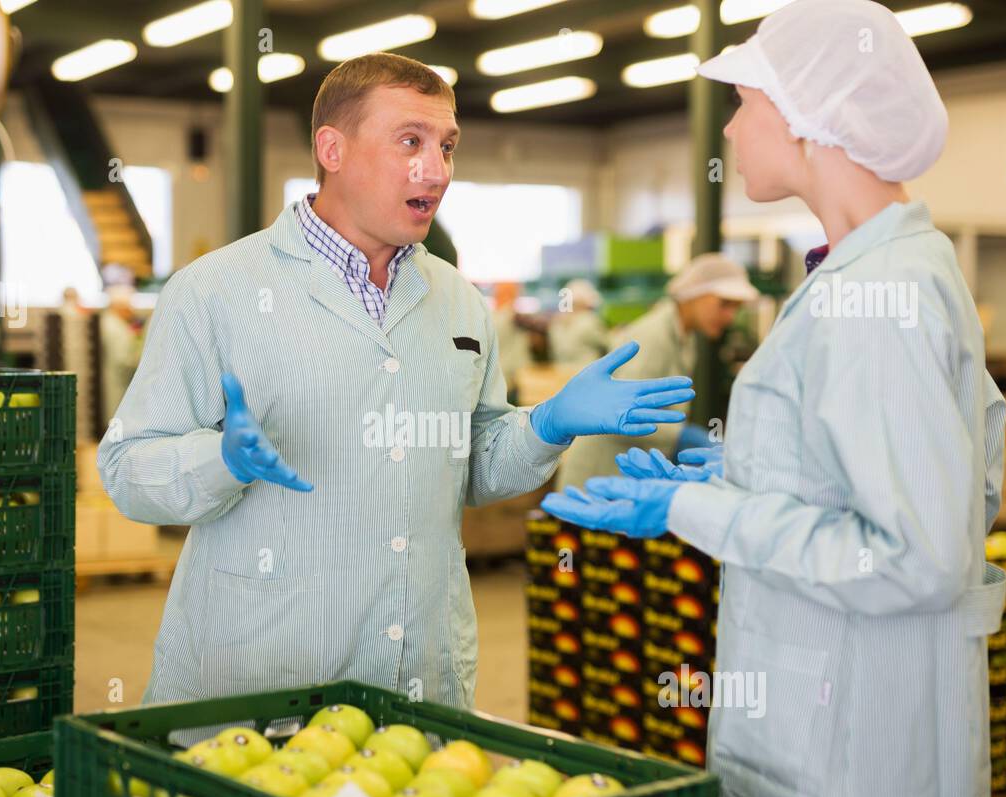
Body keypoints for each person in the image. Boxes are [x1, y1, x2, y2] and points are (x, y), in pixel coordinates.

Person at [543, 0, 1006, 797]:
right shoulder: (878, 274)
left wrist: (702, 509)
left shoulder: (884, 300)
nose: (730, 124)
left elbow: (917, 554)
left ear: (809, 121)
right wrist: (755, 471)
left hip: (852, 748)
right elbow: (946, 482)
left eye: (748, 99)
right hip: (838, 705)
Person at [98, 53, 693, 723]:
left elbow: (475, 468)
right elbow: (125, 466)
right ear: (332, 148)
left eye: (446, 146)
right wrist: (221, 460)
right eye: (410, 141)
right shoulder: (216, 292)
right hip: (262, 684)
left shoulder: (459, 302)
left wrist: (545, 425)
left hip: (420, 680)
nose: (435, 170)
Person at [555, 253, 758, 488]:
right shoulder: (653, 337)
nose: (730, 316)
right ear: (693, 294)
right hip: (597, 476)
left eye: (736, 308)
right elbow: (621, 412)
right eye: (724, 304)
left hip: (625, 473)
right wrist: (681, 436)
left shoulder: (685, 336)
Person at [98, 284, 143, 428]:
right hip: (117, 382)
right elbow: (124, 360)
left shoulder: (110, 323)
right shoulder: (115, 327)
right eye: (128, 306)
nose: (132, 310)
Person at [546, 278, 607, 366]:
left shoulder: (556, 322)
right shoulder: (588, 320)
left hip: (561, 373)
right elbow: (606, 344)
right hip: (587, 372)